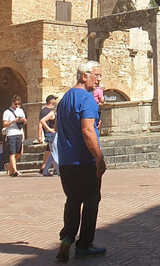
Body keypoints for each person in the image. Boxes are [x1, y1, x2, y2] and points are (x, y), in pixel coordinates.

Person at [55, 60, 107, 261]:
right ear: (84, 76)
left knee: (73, 200)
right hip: (84, 160)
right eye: (96, 75)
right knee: (91, 200)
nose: (99, 80)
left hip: (66, 161)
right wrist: (98, 157)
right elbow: (86, 131)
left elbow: (66, 127)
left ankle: (67, 238)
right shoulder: (87, 99)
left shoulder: (65, 99)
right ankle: (84, 244)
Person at [2, 95, 27, 177]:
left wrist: (23, 120)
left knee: (19, 153)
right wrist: (13, 121)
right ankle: (15, 171)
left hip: (19, 133)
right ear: (12, 102)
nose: (17, 105)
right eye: (15, 104)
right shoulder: (7, 112)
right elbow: (4, 124)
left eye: (19, 104)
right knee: (12, 153)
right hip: (11, 134)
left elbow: (25, 123)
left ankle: (9, 166)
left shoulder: (20, 111)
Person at [40, 95, 58, 176]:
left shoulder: (56, 113)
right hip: (53, 135)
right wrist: (49, 129)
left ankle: (45, 171)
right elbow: (42, 121)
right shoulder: (53, 113)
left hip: (56, 135)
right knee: (55, 152)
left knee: (52, 153)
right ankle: (58, 170)